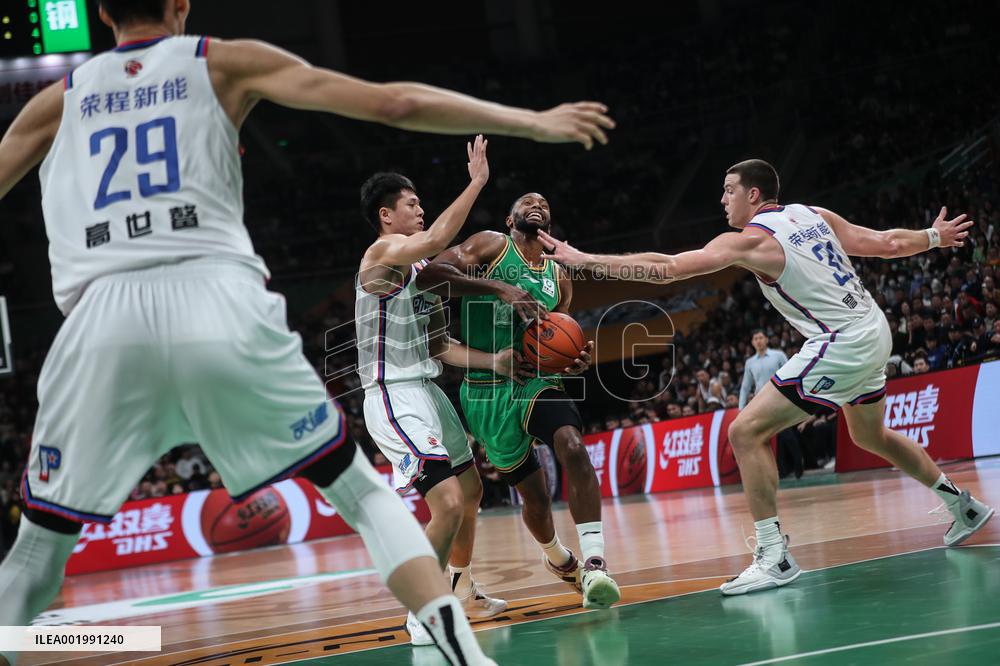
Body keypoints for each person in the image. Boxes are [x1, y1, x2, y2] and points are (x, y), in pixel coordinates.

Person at [0, 1, 615, 664]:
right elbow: (394, 104)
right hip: (218, 304)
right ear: (180, 4)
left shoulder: (55, 101)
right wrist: (531, 122)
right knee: (362, 495)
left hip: (99, 323)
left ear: (100, 11)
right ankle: (450, 640)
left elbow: (441, 301)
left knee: (37, 549)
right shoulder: (220, 61)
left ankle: (461, 590)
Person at [538, 158, 994, 596]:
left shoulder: (752, 240)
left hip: (842, 341)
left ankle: (773, 555)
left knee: (745, 432)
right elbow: (886, 243)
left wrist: (586, 259)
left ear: (753, 194)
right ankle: (962, 504)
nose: (722, 200)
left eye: (728, 190)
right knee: (871, 435)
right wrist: (934, 236)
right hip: (874, 328)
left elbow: (668, 269)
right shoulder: (812, 214)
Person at [416, 193, 621, 610]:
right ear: (510, 218)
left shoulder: (559, 278)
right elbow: (429, 276)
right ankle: (558, 559)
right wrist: (498, 287)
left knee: (573, 446)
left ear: (549, 221)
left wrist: (572, 362)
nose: (538, 203)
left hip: (534, 381)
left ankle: (596, 563)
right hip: (485, 391)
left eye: (545, 202)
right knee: (537, 498)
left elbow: (558, 340)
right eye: (527, 201)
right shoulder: (491, 245)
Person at [355, 138, 512, 645]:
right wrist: (478, 183)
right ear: (386, 215)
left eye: (421, 202)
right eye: (412, 203)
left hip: (426, 386)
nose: (421, 209)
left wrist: (496, 362)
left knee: (470, 491)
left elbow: (442, 347)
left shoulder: (418, 272)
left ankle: (462, 588)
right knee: (445, 503)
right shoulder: (381, 254)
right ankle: (422, 612)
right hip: (393, 394)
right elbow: (442, 234)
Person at [739, 330, 801, 478]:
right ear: (753, 343)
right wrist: (741, 408)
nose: (758, 341)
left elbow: (791, 371)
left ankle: (799, 465)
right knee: (770, 436)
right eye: (755, 339)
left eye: (761, 338)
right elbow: (746, 386)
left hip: (779, 398)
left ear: (766, 340)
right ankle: (782, 470)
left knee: (786, 434)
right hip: (761, 402)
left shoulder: (778, 355)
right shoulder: (750, 362)